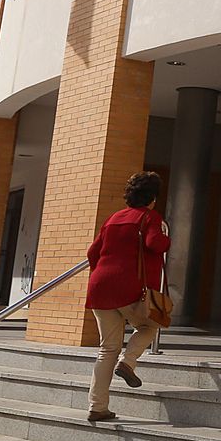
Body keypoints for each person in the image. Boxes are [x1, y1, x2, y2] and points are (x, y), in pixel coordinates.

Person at [85, 170, 170, 422]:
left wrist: (102, 276)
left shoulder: (113, 219)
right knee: (151, 325)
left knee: (106, 349)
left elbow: (92, 252)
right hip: (131, 289)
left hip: (100, 288)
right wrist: (167, 240)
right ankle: (128, 361)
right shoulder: (150, 217)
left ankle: (97, 407)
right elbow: (156, 244)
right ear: (152, 197)